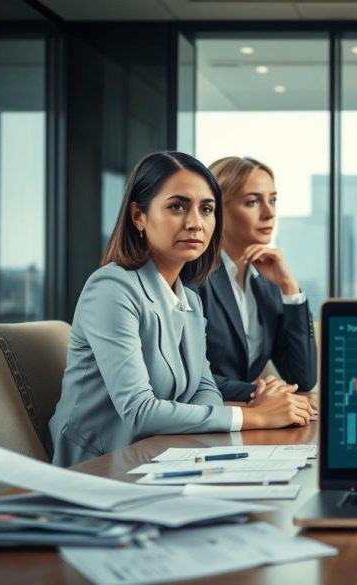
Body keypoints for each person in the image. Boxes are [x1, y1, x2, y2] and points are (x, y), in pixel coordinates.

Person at [49, 152, 312, 467]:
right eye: (177, 207)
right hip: (99, 468)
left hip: (165, 459)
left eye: (206, 209)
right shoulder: (111, 288)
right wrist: (255, 416)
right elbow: (139, 411)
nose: (195, 223)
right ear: (138, 216)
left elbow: (205, 388)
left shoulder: (188, 298)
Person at [193, 156, 317, 405]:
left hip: (248, 417)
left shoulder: (267, 284)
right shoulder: (194, 275)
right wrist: (257, 392)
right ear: (216, 208)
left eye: (273, 200)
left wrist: (290, 288)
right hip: (203, 418)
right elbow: (190, 378)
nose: (269, 213)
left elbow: (302, 378)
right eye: (253, 202)